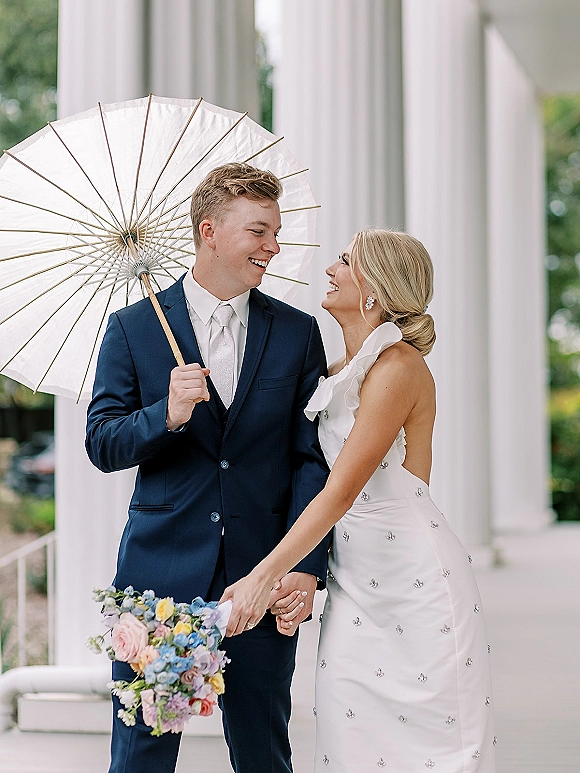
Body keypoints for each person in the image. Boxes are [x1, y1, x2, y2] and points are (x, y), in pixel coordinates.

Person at [85, 162, 330, 773]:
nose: (273, 247)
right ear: (210, 231)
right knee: (141, 752)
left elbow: (311, 459)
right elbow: (102, 443)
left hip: (261, 578)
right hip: (159, 575)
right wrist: (164, 414)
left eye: (275, 232)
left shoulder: (297, 333)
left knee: (263, 751)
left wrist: (303, 567)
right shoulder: (133, 328)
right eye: (259, 231)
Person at [221, 228, 497, 772]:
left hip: (413, 581)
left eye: (345, 260)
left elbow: (341, 490)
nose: (331, 268)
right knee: (349, 734)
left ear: (373, 288)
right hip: (355, 581)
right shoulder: (335, 374)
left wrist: (261, 577)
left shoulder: (397, 367)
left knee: (429, 746)